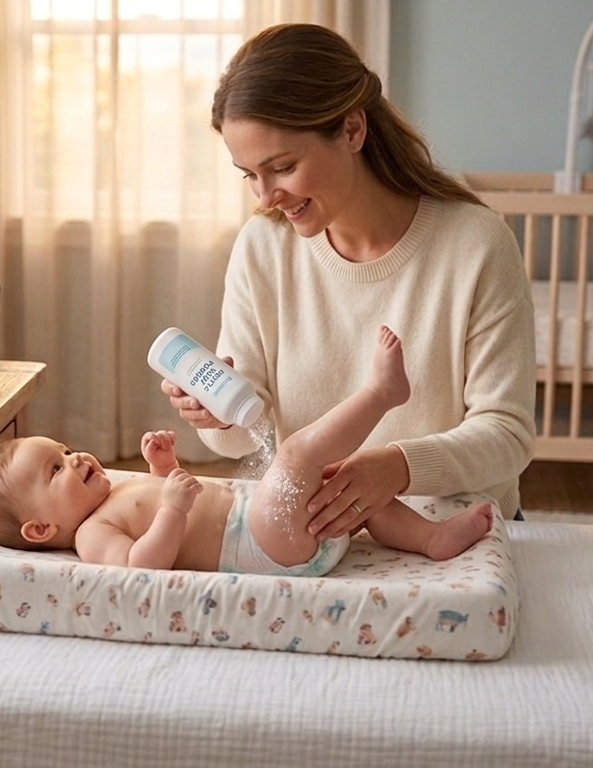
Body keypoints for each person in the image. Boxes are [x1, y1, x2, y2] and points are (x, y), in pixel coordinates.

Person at [161, 23, 536, 540]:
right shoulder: (262, 248)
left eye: (283, 167)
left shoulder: (476, 244)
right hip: (318, 538)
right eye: (248, 174)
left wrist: (398, 467)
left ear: (352, 130)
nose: (265, 196)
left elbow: (507, 434)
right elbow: (250, 439)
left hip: (458, 531)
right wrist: (220, 417)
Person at [0, 327, 494, 573]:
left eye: (65, 448)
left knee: (348, 482)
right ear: (39, 529)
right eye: (55, 468)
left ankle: (432, 538)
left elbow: (170, 502)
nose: (77, 457)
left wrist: (162, 469)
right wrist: (171, 509)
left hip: (273, 527)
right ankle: (381, 394)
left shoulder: (115, 495)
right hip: (264, 549)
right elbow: (142, 565)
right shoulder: (90, 535)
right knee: (293, 460)